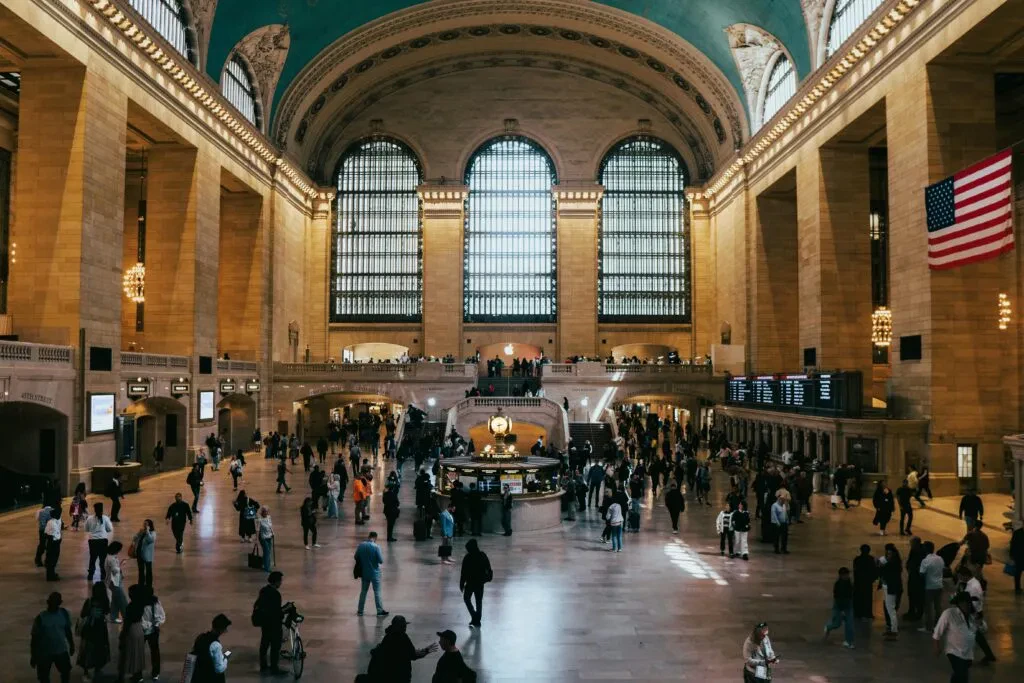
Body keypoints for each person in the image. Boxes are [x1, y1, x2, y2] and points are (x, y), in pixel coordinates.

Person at [366, 615, 437, 683]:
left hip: (388, 675)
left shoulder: (388, 637)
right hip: (401, 675)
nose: (405, 628)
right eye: (404, 626)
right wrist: (426, 651)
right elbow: (412, 655)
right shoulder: (403, 638)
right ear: (401, 627)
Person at [933, 591, 978, 683]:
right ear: (959, 603)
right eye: (965, 602)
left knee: (958, 675)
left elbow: (980, 629)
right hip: (954, 651)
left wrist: (979, 621)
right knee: (963, 675)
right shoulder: (949, 614)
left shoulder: (972, 616)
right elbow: (937, 631)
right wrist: (936, 647)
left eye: (969, 603)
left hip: (968, 653)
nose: (968, 605)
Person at [30, 592, 75, 683]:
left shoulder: (64, 614)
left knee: (65, 672)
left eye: (55, 602)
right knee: (44, 676)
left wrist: (71, 644)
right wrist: (34, 655)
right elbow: (35, 638)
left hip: (60, 649)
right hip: (45, 652)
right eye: (51, 602)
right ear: (48, 602)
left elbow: (67, 631)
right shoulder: (41, 618)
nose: (52, 604)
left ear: (60, 602)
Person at [956, 565, 996, 665]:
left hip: (973, 614)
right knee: (977, 636)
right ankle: (989, 655)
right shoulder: (973, 583)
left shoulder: (972, 587)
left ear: (965, 576)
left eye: (960, 576)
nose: (959, 579)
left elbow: (973, 603)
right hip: (975, 613)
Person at [77, 582, 111, 679]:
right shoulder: (105, 602)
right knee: (100, 647)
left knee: (88, 648)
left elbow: (83, 614)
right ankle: (97, 667)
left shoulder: (89, 602)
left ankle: (86, 670)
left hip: (90, 629)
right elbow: (107, 611)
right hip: (100, 628)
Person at [255, 571, 286, 674]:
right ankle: (274, 667)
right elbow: (276, 611)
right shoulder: (276, 594)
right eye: (280, 581)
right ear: (276, 582)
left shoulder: (263, 590)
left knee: (264, 644)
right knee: (275, 646)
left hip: (265, 623)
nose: (281, 583)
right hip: (274, 624)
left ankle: (263, 665)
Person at [460, 538, 492, 627]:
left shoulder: (467, 557)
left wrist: (461, 583)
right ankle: (477, 619)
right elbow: (488, 568)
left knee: (467, 599)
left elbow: (463, 572)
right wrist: (488, 578)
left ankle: (474, 616)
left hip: (470, 583)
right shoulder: (482, 555)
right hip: (479, 583)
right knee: (478, 601)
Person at [189, 614, 231, 683]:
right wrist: (225, 658)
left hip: (197, 678)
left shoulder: (201, 637)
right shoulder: (216, 645)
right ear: (221, 629)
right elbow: (219, 669)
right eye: (225, 629)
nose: (225, 631)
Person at [355, 531, 388, 616]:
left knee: (363, 591)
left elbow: (356, 556)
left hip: (364, 572)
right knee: (377, 592)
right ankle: (379, 611)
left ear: (368, 536)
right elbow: (381, 561)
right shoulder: (376, 547)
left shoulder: (361, 545)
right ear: (375, 538)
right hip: (375, 573)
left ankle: (360, 610)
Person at [119, 585, 147, 683]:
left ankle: (120, 677)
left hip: (132, 630)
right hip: (139, 628)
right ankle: (138, 675)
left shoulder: (131, 606)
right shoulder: (141, 604)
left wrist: (122, 634)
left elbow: (127, 622)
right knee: (138, 653)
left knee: (126, 654)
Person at [823, 567, 855, 648]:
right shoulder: (838, 585)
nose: (846, 576)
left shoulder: (849, 583)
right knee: (837, 624)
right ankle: (828, 627)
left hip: (848, 606)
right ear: (841, 575)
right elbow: (837, 598)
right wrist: (841, 610)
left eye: (847, 574)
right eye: (845, 575)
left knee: (849, 624)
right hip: (840, 606)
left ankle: (849, 641)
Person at [878, 543, 903, 639]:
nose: (887, 556)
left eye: (889, 554)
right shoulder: (894, 564)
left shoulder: (891, 565)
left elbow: (882, 571)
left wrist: (880, 565)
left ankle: (894, 630)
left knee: (890, 609)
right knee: (890, 608)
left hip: (890, 588)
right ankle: (892, 629)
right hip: (888, 587)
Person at [140, 588, 165, 682]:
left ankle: (154, 672)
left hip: (148, 630)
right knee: (154, 652)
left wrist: (152, 625)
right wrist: (155, 624)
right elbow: (161, 616)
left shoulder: (154, 603)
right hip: (150, 630)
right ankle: (154, 673)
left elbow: (161, 616)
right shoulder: (154, 603)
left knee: (154, 652)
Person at [920, 540, 946, 631]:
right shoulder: (940, 558)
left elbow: (922, 574)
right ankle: (938, 626)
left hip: (929, 586)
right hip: (939, 585)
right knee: (938, 607)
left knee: (928, 608)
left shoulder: (925, 561)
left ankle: (928, 627)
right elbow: (943, 569)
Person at [105, 541, 127, 623]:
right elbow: (115, 570)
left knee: (115, 600)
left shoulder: (110, 557)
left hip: (113, 582)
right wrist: (121, 565)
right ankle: (127, 617)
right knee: (122, 600)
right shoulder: (111, 559)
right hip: (114, 582)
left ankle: (113, 617)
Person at [852, 544, 877, 619]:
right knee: (867, 598)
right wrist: (872, 579)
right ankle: (867, 613)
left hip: (859, 582)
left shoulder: (857, 560)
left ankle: (859, 613)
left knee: (859, 597)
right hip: (867, 582)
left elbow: (855, 571)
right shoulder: (871, 559)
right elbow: (874, 571)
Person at [905, 536, 925, 622]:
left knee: (918, 595)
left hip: (918, 578)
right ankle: (911, 611)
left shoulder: (922, 552)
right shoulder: (913, 550)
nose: (910, 545)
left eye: (911, 543)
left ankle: (918, 613)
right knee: (911, 594)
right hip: (912, 575)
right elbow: (910, 560)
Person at [133, 519, 156, 587]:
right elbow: (134, 538)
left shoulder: (153, 533)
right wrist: (138, 533)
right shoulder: (142, 532)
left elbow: (151, 540)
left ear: (149, 525)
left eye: (146, 524)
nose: (144, 525)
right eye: (144, 524)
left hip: (147, 555)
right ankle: (141, 584)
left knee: (148, 571)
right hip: (139, 553)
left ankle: (149, 585)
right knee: (141, 570)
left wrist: (148, 532)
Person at [44, 507, 63, 582]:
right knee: (51, 560)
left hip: (56, 543)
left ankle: (52, 573)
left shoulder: (57, 521)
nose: (60, 515)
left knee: (54, 560)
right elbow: (47, 534)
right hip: (52, 544)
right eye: (58, 514)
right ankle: (50, 576)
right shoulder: (51, 522)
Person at [35, 501, 53, 567]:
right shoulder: (53, 510)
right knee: (50, 545)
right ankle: (47, 561)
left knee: (42, 544)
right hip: (50, 530)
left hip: (42, 530)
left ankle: (38, 559)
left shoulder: (39, 511)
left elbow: (37, 519)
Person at [257, 506, 274, 572]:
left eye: (267, 511)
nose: (266, 513)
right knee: (267, 552)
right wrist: (256, 540)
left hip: (269, 536)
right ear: (262, 512)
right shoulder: (259, 519)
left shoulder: (269, 517)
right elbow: (257, 529)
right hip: (263, 537)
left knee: (268, 551)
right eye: (264, 511)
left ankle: (264, 563)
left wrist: (273, 532)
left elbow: (270, 526)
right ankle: (267, 567)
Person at [1011, 520, 1024, 595]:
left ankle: (1017, 586)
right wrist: (1012, 554)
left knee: (1018, 571)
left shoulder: (1017, 533)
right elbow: (1013, 544)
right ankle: (1017, 586)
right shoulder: (1017, 533)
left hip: (1019, 555)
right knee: (1018, 572)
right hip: (1019, 556)